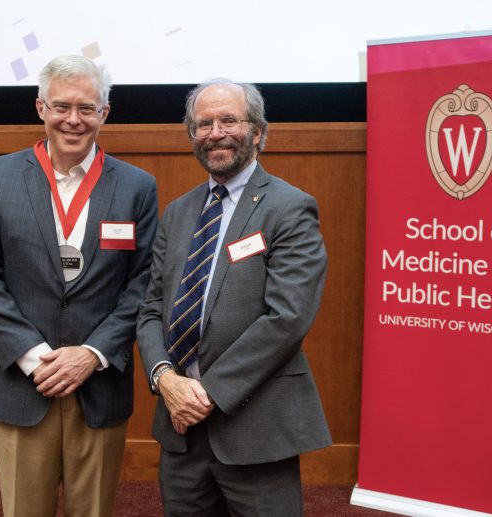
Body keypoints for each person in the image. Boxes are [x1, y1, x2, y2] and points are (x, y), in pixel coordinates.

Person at [0, 55, 158, 517]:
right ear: (41, 108)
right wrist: (36, 358)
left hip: (100, 384)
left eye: (87, 108)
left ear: (104, 114)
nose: (74, 119)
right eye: (62, 106)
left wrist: (91, 355)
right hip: (23, 384)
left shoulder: (137, 187)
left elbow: (146, 282)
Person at [136, 79, 331, 516]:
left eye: (229, 119)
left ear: (257, 131)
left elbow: (287, 319)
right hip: (180, 428)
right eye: (203, 123)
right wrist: (164, 378)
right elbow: (151, 310)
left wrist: (205, 395)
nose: (215, 131)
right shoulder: (178, 212)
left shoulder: (290, 208)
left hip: (254, 425)